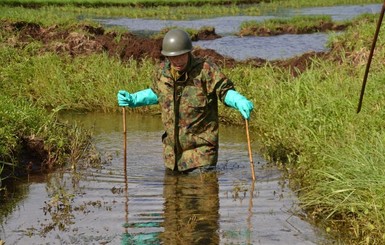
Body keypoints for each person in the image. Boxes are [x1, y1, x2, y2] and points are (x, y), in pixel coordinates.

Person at [117, 29, 253, 172]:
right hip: (172, 158)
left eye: (181, 56)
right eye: (173, 57)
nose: (178, 61)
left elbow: (223, 91)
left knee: (203, 191)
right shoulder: (162, 72)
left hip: (201, 156)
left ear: (188, 52)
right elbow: (157, 93)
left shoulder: (205, 70)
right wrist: (134, 99)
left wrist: (238, 100)